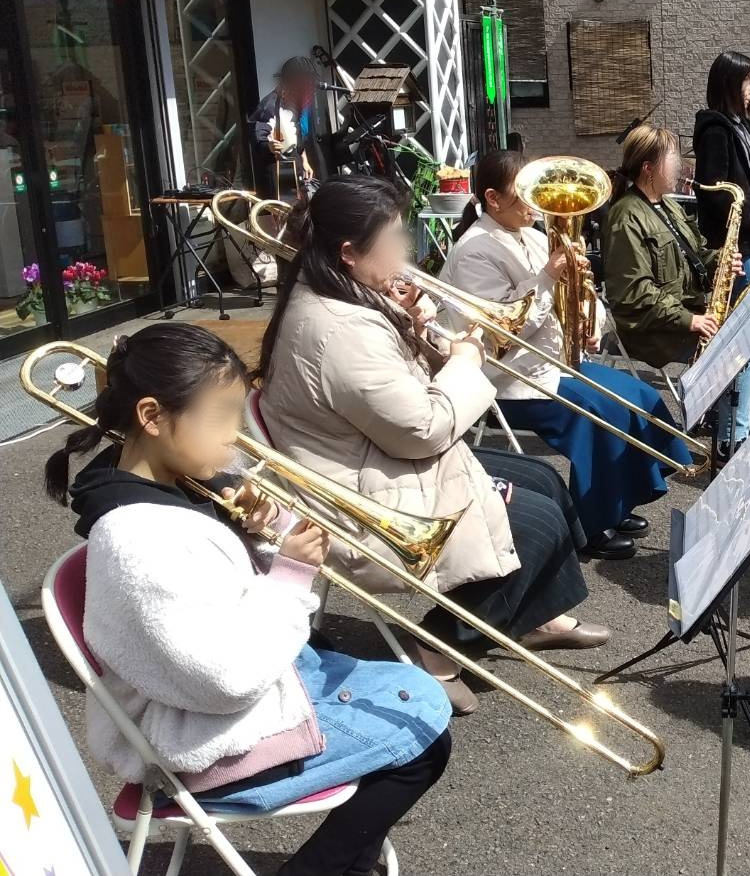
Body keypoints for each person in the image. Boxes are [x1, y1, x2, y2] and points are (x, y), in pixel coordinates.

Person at [45, 323, 452, 875]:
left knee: (416, 700)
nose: (234, 437)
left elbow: (215, 602)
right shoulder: (137, 538)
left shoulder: (178, 487)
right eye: (220, 419)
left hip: (224, 706)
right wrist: (287, 577)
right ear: (151, 417)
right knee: (423, 727)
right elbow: (224, 679)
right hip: (200, 743)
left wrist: (257, 540)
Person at [258, 177, 606, 717]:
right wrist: (466, 359)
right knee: (536, 523)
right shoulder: (338, 326)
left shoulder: (341, 293)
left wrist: (416, 329)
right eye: (394, 242)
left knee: (543, 482)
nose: (407, 255)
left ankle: (529, 612)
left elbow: (395, 406)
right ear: (349, 253)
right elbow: (422, 426)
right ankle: (438, 648)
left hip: (378, 458)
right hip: (363, 490)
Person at [440, 151, 694, 558]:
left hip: (555, 362)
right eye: (522, 195)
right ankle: (591, 525)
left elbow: (578, 296)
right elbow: (503, 332)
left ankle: (617, 501)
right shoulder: (474, 251)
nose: (535, 203)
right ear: (492, 198)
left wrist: (587, 315)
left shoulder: (536, 235)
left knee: (639, 397)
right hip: (511, 379)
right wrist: (548, 277)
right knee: (604, 414)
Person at [693, 50, 750, 451]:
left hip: (745, 243)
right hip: (730, 245)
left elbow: (741, 179)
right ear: (731, 84)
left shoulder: (740, 124)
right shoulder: (715, 130)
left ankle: (727, 421)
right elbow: (713, 191)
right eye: (749, 82)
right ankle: (733, 435)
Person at [602, 123, 743, 368]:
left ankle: (719, 405)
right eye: (672, 158)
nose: (680, 165)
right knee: (731, 353)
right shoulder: (625, 217)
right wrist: (690, 320)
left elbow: (696, 255)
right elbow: (635, 292)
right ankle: (711, 406)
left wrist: (720, 262)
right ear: (648, 169)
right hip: (652, 332)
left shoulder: (670, 206)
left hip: (678, 316)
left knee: (742, 340)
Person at [248, 56, 321, 199]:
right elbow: (257, 137)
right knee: (283, 213)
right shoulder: (270, 105)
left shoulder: (293, 104)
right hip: (278, 172)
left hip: (295, 168)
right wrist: (268, 145)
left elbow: (297, 135)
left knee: (299, 210)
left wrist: (304, 160)